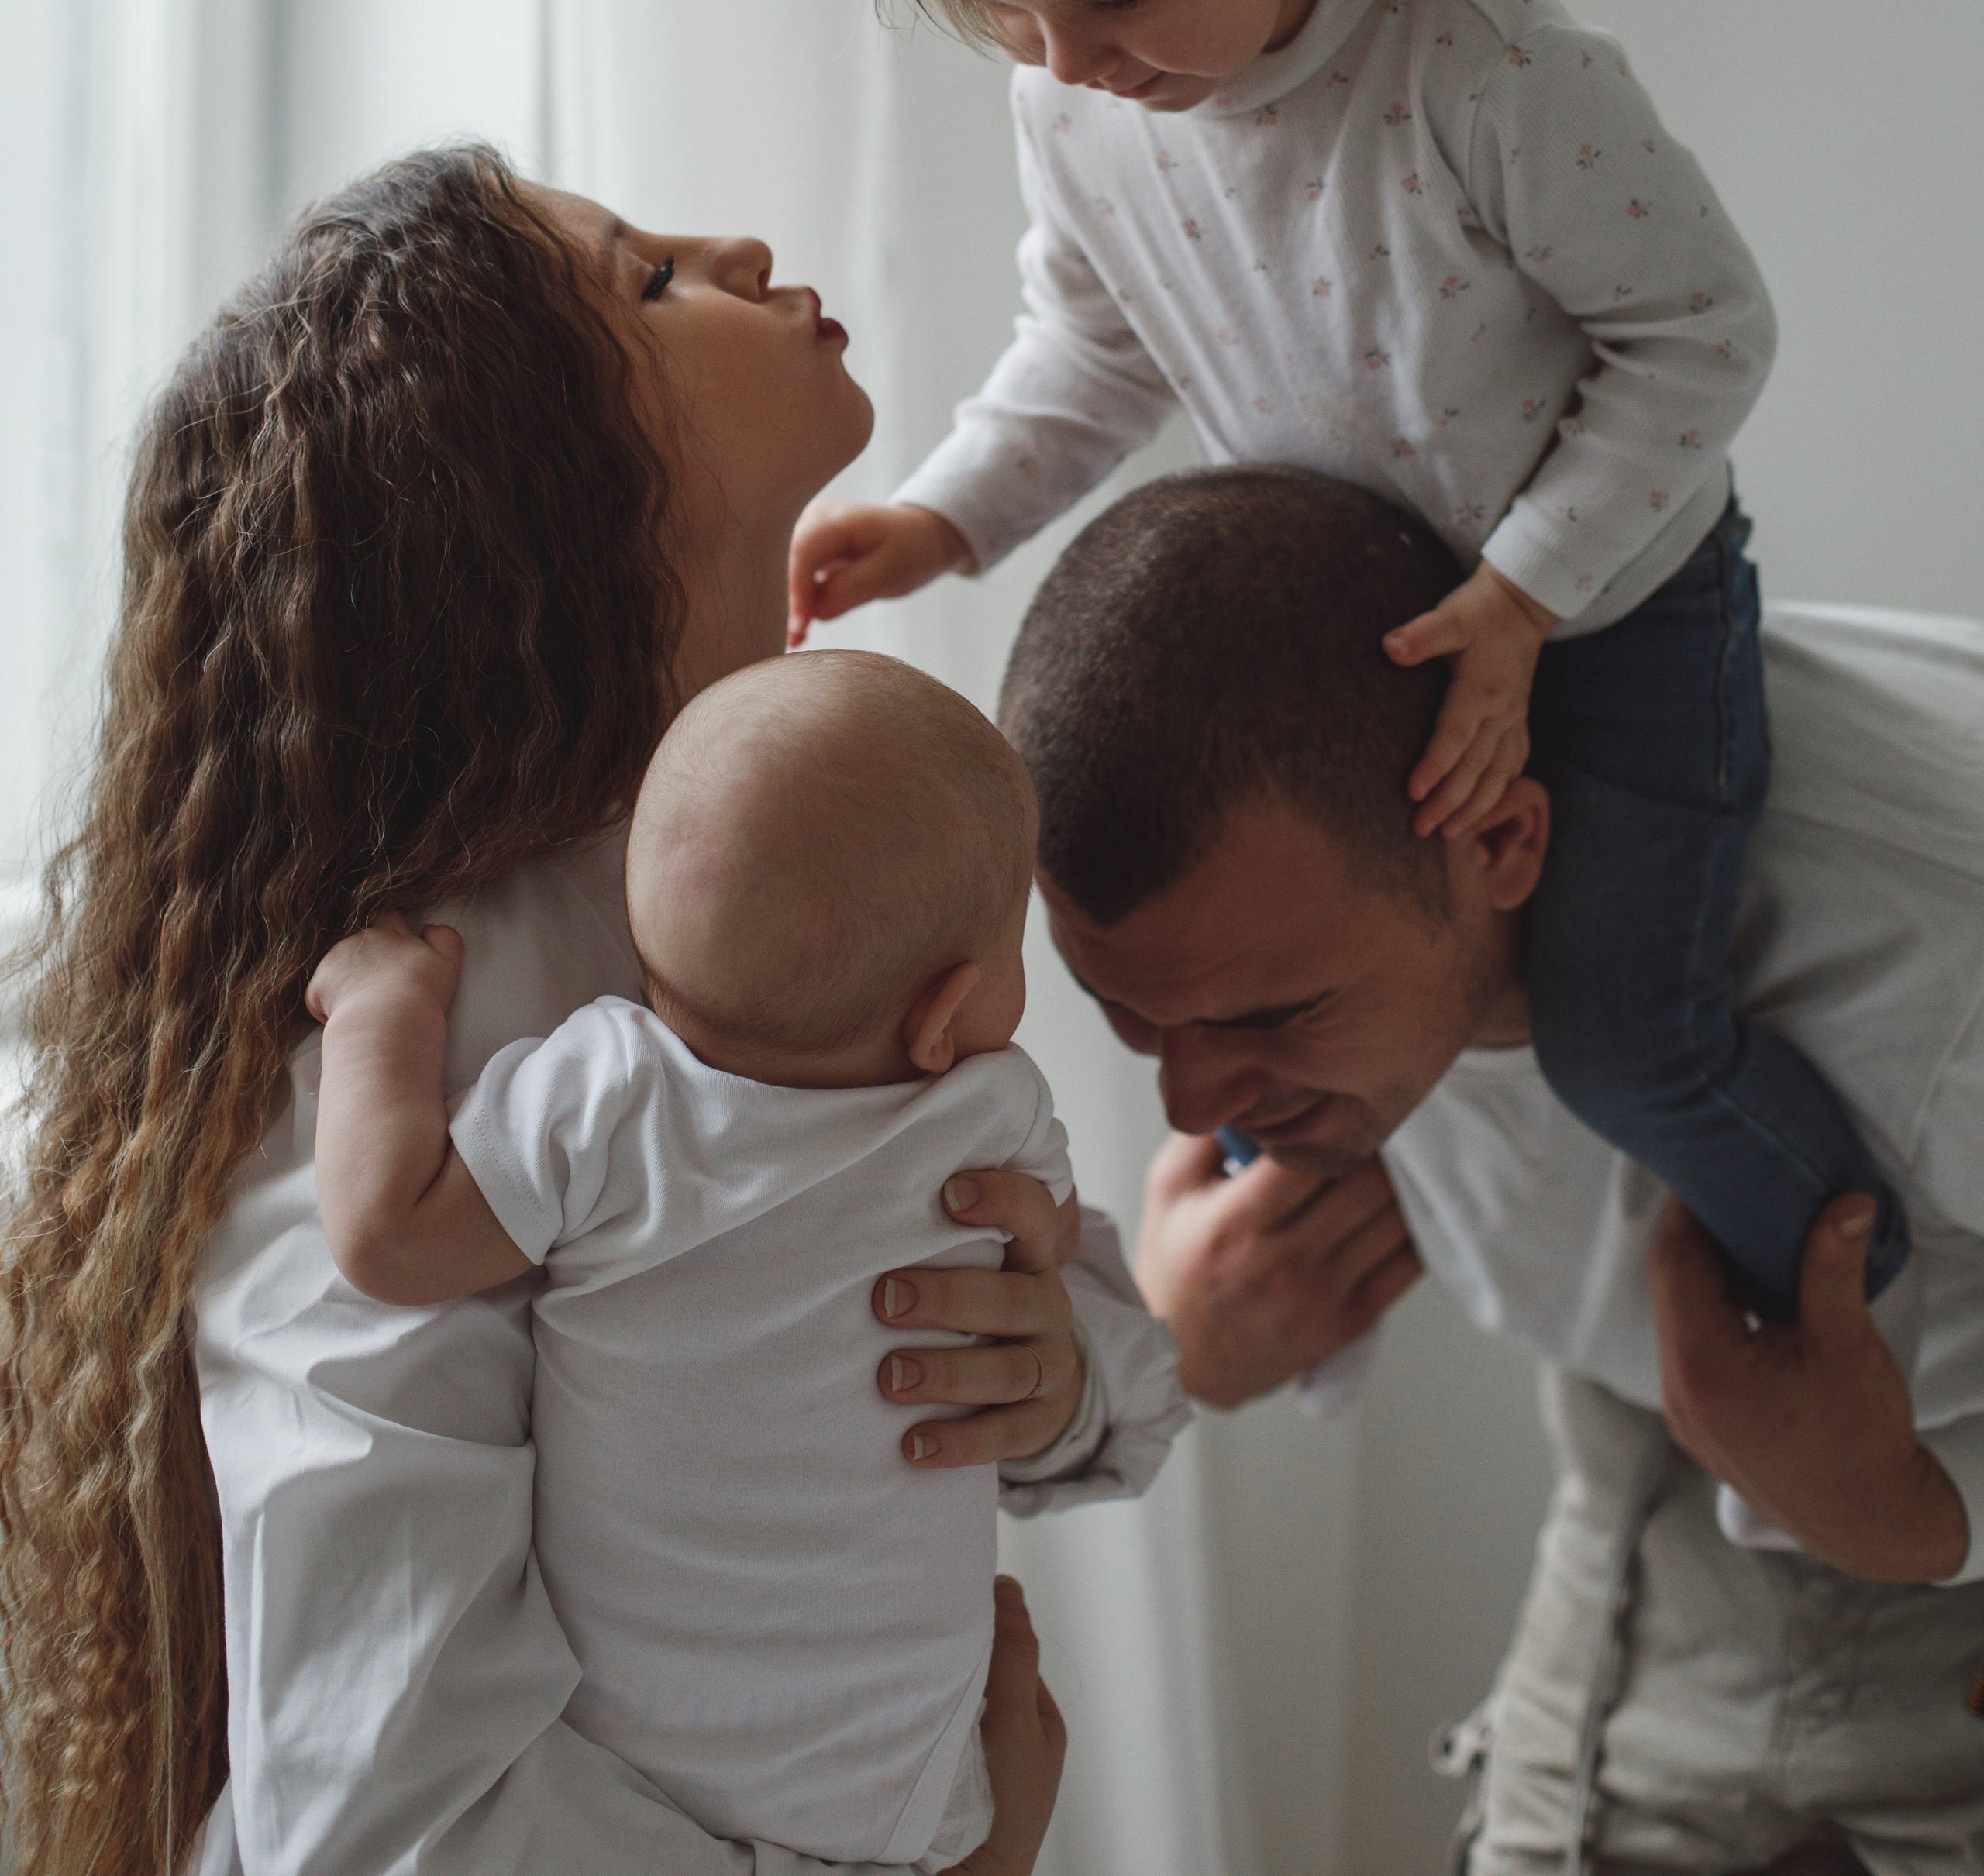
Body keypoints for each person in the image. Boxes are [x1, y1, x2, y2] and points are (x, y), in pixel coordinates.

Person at [0, 146, 1185, 1876]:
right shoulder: (418, 1034)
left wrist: (1058, 1374)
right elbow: (386, 1813)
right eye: (648, 281)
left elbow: (963, 1331)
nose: (743, 242)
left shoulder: (812, 881)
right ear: (526, 494)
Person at [785, 0, 1906, 1326]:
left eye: (1112, 3)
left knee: (1623, 1048)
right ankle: (1254, 1341)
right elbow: (1093, 343)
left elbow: (1704, 335)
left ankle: (1853, 1299)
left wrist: (1527, 593)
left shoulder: (1483, 68)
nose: (1066, 67)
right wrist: (942, 515)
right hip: (1355, 637)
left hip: (1608, 611)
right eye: (1005, 19)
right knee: (1279, 1037)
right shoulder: (1085, 91)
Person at [1000, 463, 1984, 1870]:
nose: (1193, 1099)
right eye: (1130, 1015)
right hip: (1631, 1506)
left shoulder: (1935, 955)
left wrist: (1917, 1515)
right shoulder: (1337, 945)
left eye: (1266, 1018)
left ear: (1505, 838)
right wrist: (1180, 1353)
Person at [308, 650, 1071, 1871]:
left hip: (632, 1759)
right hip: (909, 1778)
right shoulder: (990, 1112)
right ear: (944, 1013)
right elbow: (1050, 1254)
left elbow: (388, 1237)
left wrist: (381, 1012)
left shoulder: (611, 1099)